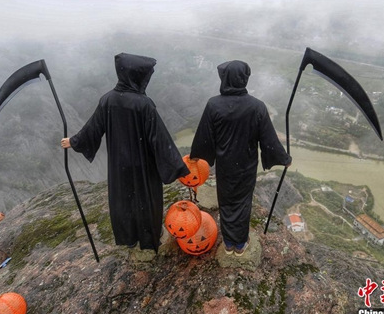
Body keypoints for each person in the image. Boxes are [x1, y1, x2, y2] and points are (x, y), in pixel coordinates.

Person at [61, 53, 189, 252]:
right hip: (144, 164)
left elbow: (93, 128)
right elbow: (159, 138)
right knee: (147, 200)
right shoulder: (144, 104)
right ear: (135, 76)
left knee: (123, 201)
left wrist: (74, 141)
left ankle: (129, 238)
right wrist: (177, 166)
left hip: (119, 164)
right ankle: (148, 239)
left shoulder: (108, 100)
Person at [190, 60, 292, 256]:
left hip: (225, 165)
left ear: (225, 78)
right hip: (246, 165)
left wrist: (196, 156)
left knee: (226, 202)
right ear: (244, 79)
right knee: (243, 203)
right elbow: (268, 138)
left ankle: (228, 243)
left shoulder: (214, 104)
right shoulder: (257, 107)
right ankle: (239, 244)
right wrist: (284, 158)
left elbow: (204, 135)